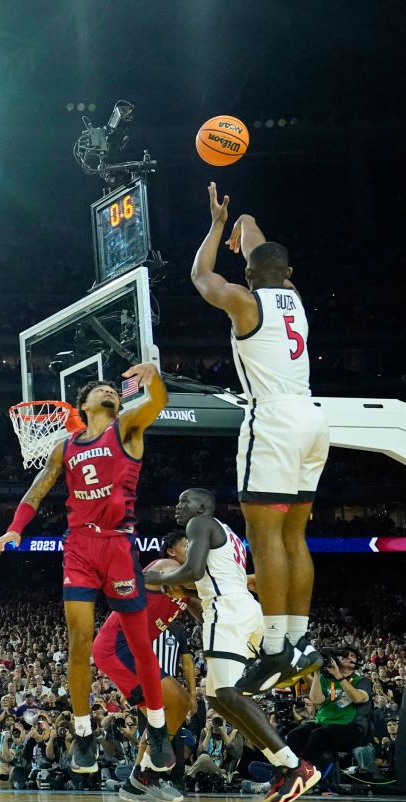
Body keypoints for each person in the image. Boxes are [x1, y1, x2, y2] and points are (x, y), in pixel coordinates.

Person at [0, 362, 177, 779]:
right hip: (80, 546)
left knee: (139, 642)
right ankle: (82, 733)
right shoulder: (66, 446)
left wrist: (154, 379)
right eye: (101, 390)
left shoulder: (126, 427)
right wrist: (15, 529)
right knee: (79, 639)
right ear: (84, 404)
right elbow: (38, 487)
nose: (110, 391)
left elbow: (158, 403)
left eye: (114, 389)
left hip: (119, 544)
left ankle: (159, 727)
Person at [192, 184, 328, 692]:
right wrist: (245, 217)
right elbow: (261, 249)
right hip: (312, 419)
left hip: (272, 422)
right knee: (295, 535)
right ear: (287, 275)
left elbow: (201, 276)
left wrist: (217, 224)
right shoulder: (293, 299)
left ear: (248, 275)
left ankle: (273, 649)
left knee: (265, 536)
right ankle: (298, 638)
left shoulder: (245, 303)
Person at [144, 488, 319, 802]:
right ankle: (286, 762)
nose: (177, 507)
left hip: (225, 615)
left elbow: (194, 571)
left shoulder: (200, 524)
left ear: (202, 506)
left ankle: (296, 767)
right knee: (220, 699)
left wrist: (151, 579)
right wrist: (180, 586)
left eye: (184, 502)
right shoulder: (228, 534)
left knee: (226, 694)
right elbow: (202, 581)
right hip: (245, 611)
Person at [92, 530, 196, 802]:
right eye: (188, 544)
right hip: (117, 646)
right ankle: (146, 773)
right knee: (177, 700)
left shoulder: (187, 586)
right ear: (172, 551)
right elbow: (204, 585)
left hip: (133, 651)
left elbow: (203, 606)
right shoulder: (168, 567)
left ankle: (141, 778)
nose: (195, 547)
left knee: (165, 712)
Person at [285, 647, 372, 770]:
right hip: (323, 723)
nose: (348, 657)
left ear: (356, 662)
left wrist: (338, 675)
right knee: (295, 734)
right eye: (344, 655)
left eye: (352, 655)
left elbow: (358, 698)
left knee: (319, 735)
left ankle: (302, 772)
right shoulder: (326, 680)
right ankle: (284, 770)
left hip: (350, 728)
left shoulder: (362, 681)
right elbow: (316, 700)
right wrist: (316, 672)